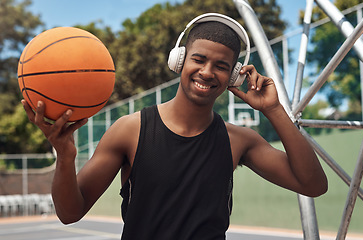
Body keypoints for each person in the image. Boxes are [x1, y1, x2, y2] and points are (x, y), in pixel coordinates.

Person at [22, 13, 327, 240]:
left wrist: (273, 109)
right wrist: (65, 156)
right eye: (199, 59)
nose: (207, 72)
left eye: (221, 66)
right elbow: (70, 213)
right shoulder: (130, 130)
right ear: (179, 60)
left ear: (233, 75)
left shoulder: (239, 141)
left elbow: (313, 185)